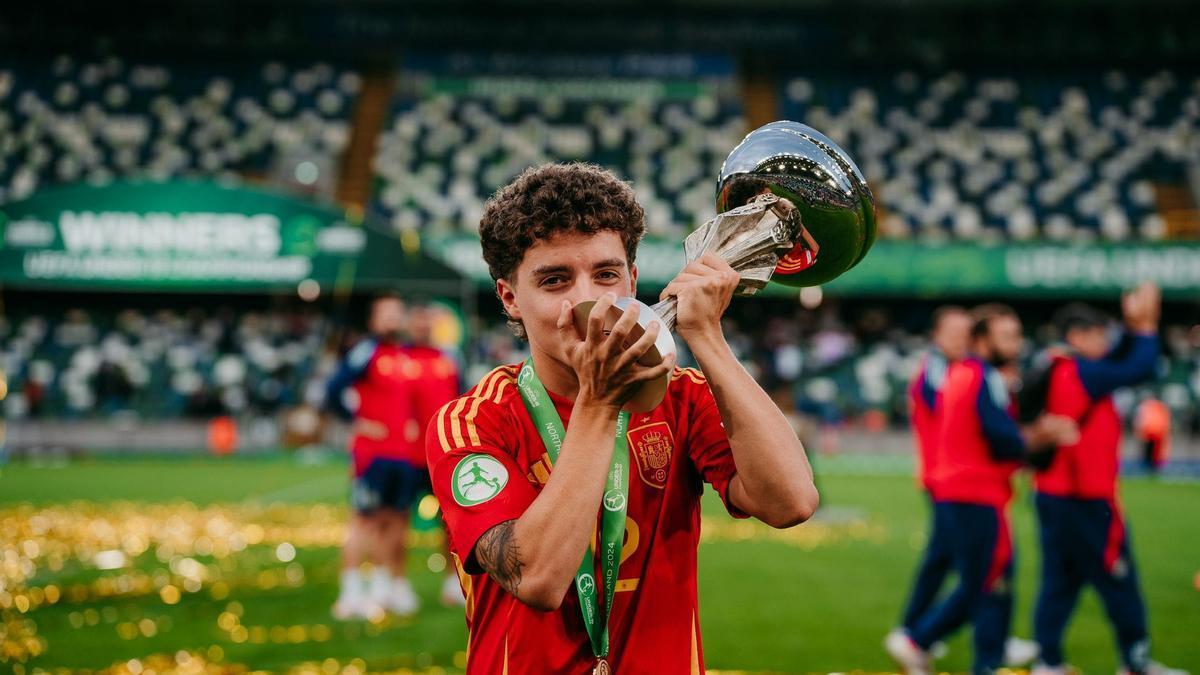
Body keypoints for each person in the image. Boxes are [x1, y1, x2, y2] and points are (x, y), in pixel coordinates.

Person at [427, 163, 819, 673]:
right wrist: (599, 400)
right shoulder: (474, 420)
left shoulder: (682, 397)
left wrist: (707, 338)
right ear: (510, 298)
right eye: (554, 280)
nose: (587, 299)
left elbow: (791, 502)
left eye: (607, 274)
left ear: (633, 280)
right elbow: (538, 578)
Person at [888, 304, 1077, 675]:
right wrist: (1044, 435)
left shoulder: (968, 373)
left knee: (989, 578)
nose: (1017, 344)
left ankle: (984, 656)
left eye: (1018, 334)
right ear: (983, 340)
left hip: (971, 492)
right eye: (1007, 336)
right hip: (972, 493)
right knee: (981, 582)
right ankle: (919, 639)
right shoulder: (978, 375)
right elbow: (1001, 437)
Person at [1030, 285, 1184, 675]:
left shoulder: (1060, 366)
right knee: (1119, 580)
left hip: (1054, 495)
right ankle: (1134, 662)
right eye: (1098, 334)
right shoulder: (1081, 371)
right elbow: (1139, 367)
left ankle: (1048, 661)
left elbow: (1117, 359)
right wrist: (1146, 327)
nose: (1105, 341)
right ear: (1077, 337)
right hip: (1087, 500)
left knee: (1060, 583)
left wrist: (1133, 328)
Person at [326, 292, 457, 619]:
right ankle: (351, 590)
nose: (393, 320)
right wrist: (357, 421)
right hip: (373, 454)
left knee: (395, 520)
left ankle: (384, 585)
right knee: (364, 521)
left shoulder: (404, 357)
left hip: (403, 455)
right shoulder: (367, 352)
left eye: (396, 314)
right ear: (373, 320)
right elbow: (333, 391)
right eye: (386, 314)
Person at [892, 306, 970, 648]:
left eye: (966, 333)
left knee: (943, 557)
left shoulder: (951, 369)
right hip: (944, 480)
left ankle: (913, 629)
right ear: (937, 335)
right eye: (954, 332)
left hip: (949, 479)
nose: (961, 340)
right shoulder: (938, 371)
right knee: (970, 561)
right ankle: (919, 633)